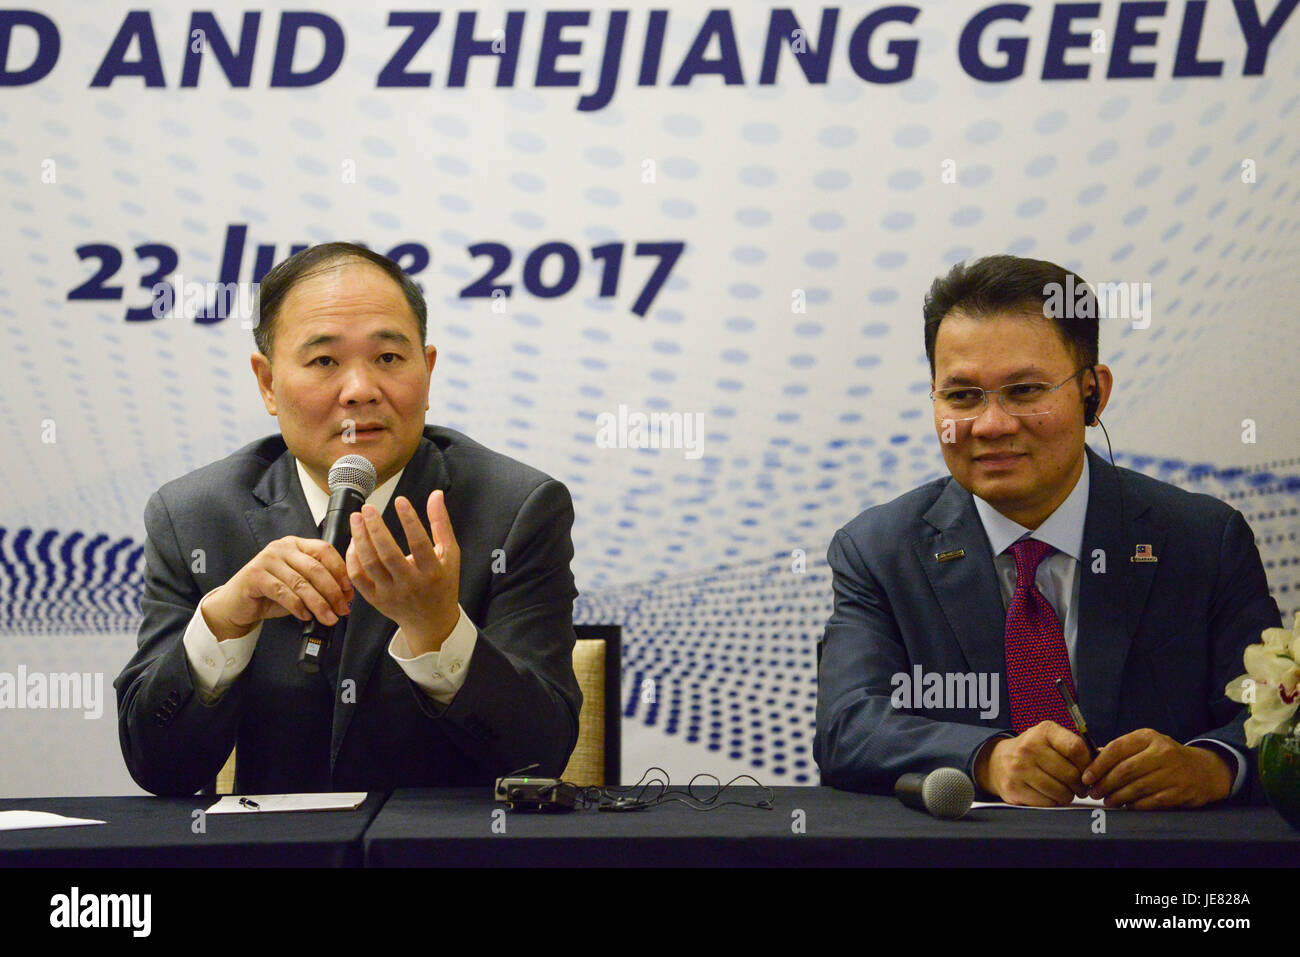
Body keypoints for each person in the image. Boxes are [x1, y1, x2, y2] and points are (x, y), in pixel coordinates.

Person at [115, 243, 582, 796]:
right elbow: (159, 768)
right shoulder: (195, 517)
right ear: (267, 383)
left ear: (426, 372)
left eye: (388, 358)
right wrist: (223, 621)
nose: (361, 391)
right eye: (324, 362)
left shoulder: (516, 509)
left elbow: (538, 759)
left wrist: (439, 632)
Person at [815, 255, 1281, 808]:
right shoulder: (877, 550)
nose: (991, 425)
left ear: (1093, 394)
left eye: (1025, 391)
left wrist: (1211, 765)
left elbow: (1273, 715)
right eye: (962, 396)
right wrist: (986, 758)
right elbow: (849, 726)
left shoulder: (1203, 539)